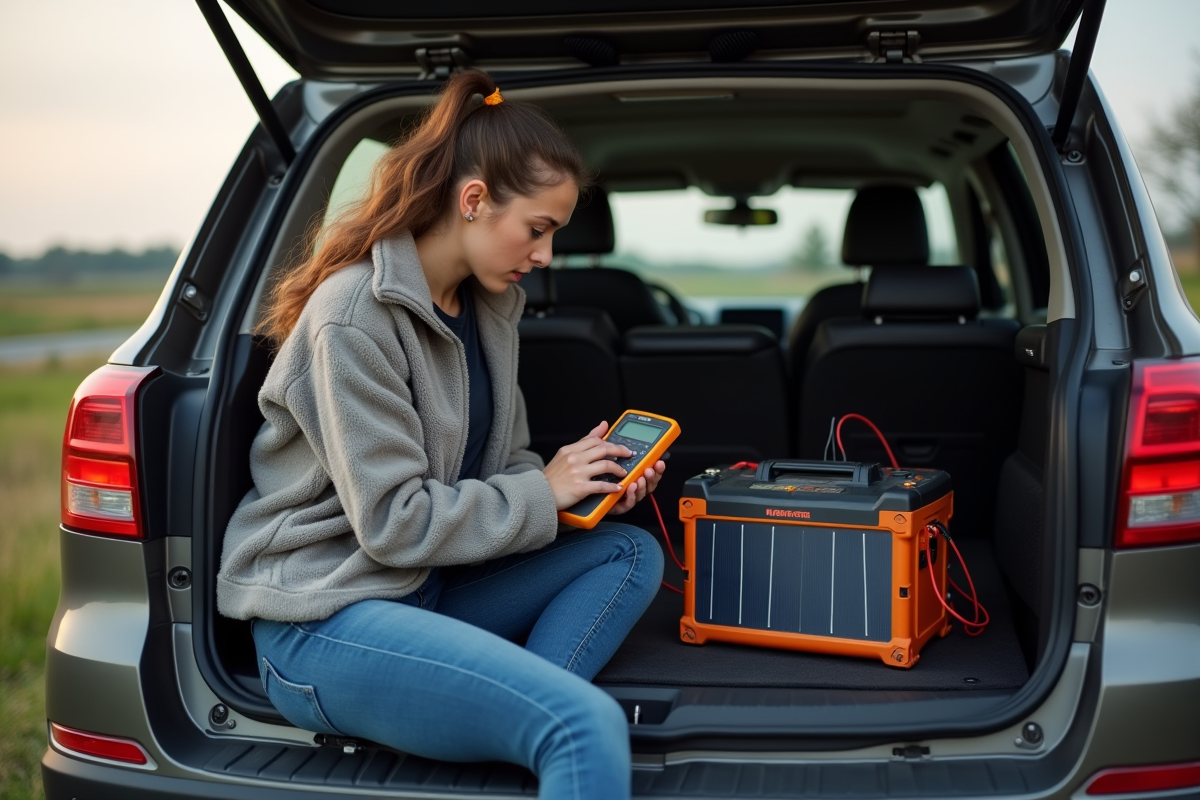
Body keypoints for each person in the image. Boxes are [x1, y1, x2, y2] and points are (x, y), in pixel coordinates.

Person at [216, 71, 666, 799]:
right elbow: (393, 524)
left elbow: (507, 463)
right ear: (474, 201)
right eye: (539, 229)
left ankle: (508, 710)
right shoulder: (352, 316)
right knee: (582, 727)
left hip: (425, 586)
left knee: (626, 549)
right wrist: (542, 494)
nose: (547, 255)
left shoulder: (489, 309)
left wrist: (580, 491)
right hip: (325, 617)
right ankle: (540, 719)